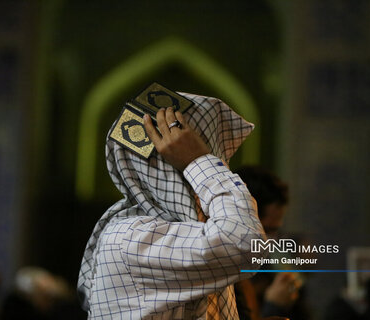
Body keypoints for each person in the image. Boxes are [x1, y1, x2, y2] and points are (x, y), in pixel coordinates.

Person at [78, 92, 265, 319]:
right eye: (217, 158)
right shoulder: (129, 240)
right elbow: (247, 244)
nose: (223, 166)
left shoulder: (188, 234)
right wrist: (198, 161)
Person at [233, 168, 309, 320]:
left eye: (275, 232)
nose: (271, 241)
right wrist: (274, 307)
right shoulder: (226, 275)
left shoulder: (272, 265)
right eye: (266, 231)